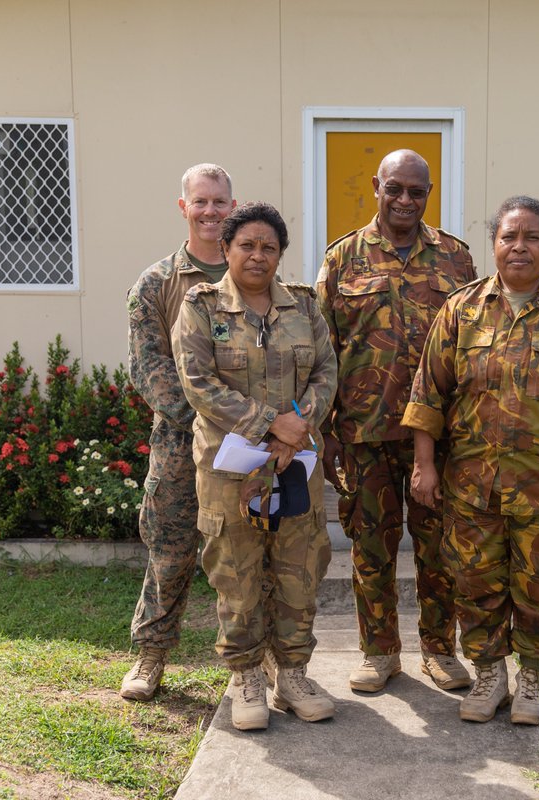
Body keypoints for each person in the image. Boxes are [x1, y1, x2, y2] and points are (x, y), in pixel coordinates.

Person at [402, 196, 539, 725]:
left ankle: (532, 681)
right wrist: (423, 464)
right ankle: (488, 676)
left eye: (532, 237)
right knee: (475, 584)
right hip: (472, 486)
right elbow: (429, 393)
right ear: (495, 244)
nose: (519, 247)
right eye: (509, 237)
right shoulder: (462, 309)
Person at [172, 202, 338, 731]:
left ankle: (292, 675)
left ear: (280, 253)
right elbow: (199, 383)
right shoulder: (201, 308)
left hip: (295, 462)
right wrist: (270, 426)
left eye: (269, 247)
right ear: (225, 249)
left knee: (300, 569)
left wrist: (297, 428)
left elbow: (326, 372)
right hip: (230, 468)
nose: (257, 255)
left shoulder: (304, 307)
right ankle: (246, 676)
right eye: (246, 245)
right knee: (236, 571)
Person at [316, 149, 477, 693]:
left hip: (438, 435)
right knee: (371, 549)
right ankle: (379, 653)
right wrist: (327, 431)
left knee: (439, 550)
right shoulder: (343, 258)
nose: (405, 200)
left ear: (428, 193)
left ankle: (439, 650)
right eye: (395, 188)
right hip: (364, 434)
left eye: (416, 191)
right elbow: (323, 350)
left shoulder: (455, 258)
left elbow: (472, 345)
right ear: (376, 187)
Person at [122, 164, 236, 702]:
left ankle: (255, 659)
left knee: (246, 553)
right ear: (183, 207)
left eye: (219, 202)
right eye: (200, 201)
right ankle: (151, 655)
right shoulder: (156, 283)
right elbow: (148, 369)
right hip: (180, 445)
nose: (210, 211)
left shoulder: (253, 273)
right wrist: (208, 422)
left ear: (233, 207)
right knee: (169, 552)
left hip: (244, 445)